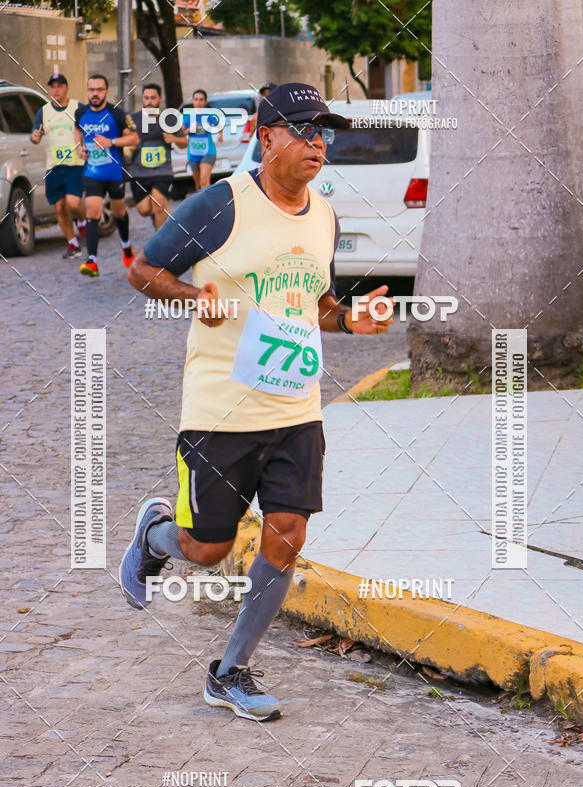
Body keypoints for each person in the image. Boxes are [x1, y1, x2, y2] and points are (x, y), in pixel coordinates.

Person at [120, 82, 394, 722]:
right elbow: (142, 270)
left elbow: (316, 305)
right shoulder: (220, 204)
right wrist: (194, 300)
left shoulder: (324, 215)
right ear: (266, 137)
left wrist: (354, 321)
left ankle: (231, 670)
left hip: (296, 408)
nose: (317, 144)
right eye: (302, 130)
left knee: (288, 534)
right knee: (208, 549)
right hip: (220, 410)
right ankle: (156, 536)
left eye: (323, 132)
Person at [74, 74, 139, 277]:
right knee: (92, 212)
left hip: (114, 173)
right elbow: (77, 129)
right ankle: (92, 261)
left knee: (119, 213)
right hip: (92, 172)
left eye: (99, 90)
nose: (95, 93)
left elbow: (134, 138)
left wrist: (111, 142)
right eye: (91, 89)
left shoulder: (117, 113)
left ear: (106, 92)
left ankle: (126, 246)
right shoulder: (81, 113)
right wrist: (80, 147)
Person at [30, 73, 86, 259]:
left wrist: (84, 147)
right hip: (54, 167)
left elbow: (89, 130)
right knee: (60, 207)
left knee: (73, 202)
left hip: (75, 164)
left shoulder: (78, 108)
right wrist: (35, 137)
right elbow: (35, 135)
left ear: (66, 88)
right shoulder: (44, 111)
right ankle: (73, 244)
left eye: (59, 86)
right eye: (52, 86)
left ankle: (82, 221)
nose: (55, 90)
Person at [128, 83, 187, 231]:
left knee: (159, 204)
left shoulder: (169, 119)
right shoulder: (133, 119)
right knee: (144, 210)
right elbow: (125, 143)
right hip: (139, 172)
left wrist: (174, 139)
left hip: (162, 171)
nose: (149, 102)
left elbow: (184, 143)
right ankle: (157, 216)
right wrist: (129, 146)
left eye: (153, 98)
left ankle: (160, 245)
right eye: (146, 98)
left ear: (159, 98)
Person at [182, 89, 223, 191]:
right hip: (193, 153)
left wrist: (220, 135)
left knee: (204, 182)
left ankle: (209, 206)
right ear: (193, 101)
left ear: (205, 102)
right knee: (198, 185)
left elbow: (220, 125)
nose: (198, 102)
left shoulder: (209, 114)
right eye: (196, 99)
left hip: (208, 152)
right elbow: (180, 134)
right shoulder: (187, 116)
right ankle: (200, 205)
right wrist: (189, 129)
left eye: (201, 100)